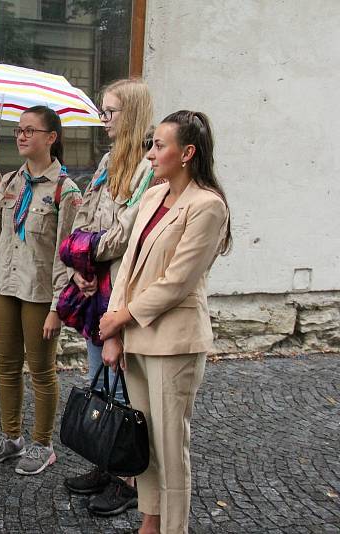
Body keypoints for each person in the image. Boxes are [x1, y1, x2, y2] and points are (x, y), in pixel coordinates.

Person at [99, 110, 231, 534]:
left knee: (171, 448)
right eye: (151, 144)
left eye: (159, 145)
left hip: (175, 342)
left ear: (187, 152)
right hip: (135, 336)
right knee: (146, 444)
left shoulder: (208, 206)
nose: (150, 153)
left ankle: (175, 528)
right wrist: (115, 328)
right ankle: (150, 522)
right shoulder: (154, 195)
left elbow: (177, 281)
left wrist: (121, 315)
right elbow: (130, 266)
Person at [63, 78, 155, 514]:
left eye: (111, 112)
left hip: (119, 289)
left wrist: (84, 251)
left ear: (132, 113)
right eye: (102, 111)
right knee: (99, 377)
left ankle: (129, 477)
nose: (104, 120)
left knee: (125, 387)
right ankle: (105, 459)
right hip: (93, 286)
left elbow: (124, 233)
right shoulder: (106, 161)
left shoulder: (148, 168)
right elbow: (84, 214)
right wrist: (80, 262)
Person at [0, 106, 81, 475]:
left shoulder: (65, 191)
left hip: (39, 291)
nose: (20, 136)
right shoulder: (9, 182)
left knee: (41, 370)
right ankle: (11, 437)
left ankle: (42, 443)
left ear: (51, 138)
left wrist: (57, 306)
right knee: (5, 366)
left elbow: (66, 253)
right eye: (19, 130)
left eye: (30, 130)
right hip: (5, 286)